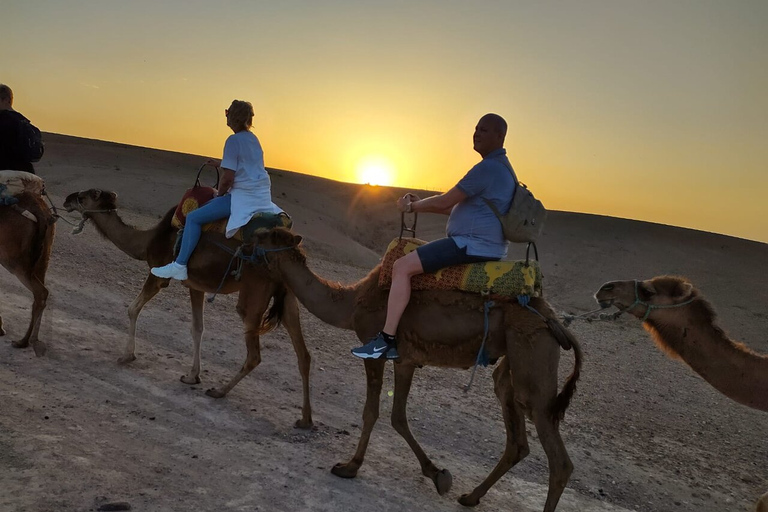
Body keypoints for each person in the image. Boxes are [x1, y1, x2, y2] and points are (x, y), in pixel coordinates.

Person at [351, 113, 517, 360]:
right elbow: (456, 208)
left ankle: (386, 340)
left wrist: (411, 207)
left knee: (401, 267)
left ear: (500, 136)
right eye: (476, 128)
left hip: (471, 247)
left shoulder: (487, 169)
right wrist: (423, 204)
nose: (477, 133)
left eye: (484, 130)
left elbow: (445, 200)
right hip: (486, 245)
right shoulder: (505, 170)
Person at [151, 100, 283, 281]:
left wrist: (219, 193)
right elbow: (246, 165)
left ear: (232, 116)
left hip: (241, 198)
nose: (225, 115)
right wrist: (221, 164)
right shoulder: (253, 139)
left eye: (227, 112)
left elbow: (228, 179)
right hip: (260, 197)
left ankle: (179, 265)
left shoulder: (233, 140)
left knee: (193, 218)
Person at [0, 84, 37, 173]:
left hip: (5, 177)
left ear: (7, 100)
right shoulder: (24, 121)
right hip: (26, 176)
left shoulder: (3, 120)